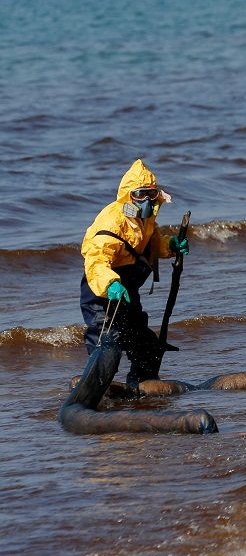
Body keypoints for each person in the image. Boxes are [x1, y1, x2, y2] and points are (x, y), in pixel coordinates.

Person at [80, 158, 190, 389]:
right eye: (141, 194)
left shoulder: (146, 219)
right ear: (129, 196)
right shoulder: (112, 222)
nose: (147, 200)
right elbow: (96, 261)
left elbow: (152, 243)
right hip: (102, 291)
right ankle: (95, 390)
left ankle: (141, 387)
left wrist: (170, 245)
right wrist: (110, 284)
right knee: (106, 342)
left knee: (145, 344)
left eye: (151, 194)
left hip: (128, 291)